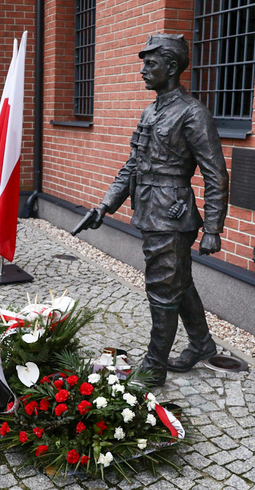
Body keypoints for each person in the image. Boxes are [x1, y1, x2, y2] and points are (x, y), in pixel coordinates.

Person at [78, 34, 229, 386]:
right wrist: (104, 206)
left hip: (172, 215)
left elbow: (216, 173)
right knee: (180, 281)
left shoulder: (193, 113)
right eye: (143, 63)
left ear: (171, 67)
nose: (143, 70)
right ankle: (202, 343)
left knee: (162, 288)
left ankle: (154, 364)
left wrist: (212, 228)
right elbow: (133, 165)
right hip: (150, 210)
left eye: (151, 63)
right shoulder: (150, 110)